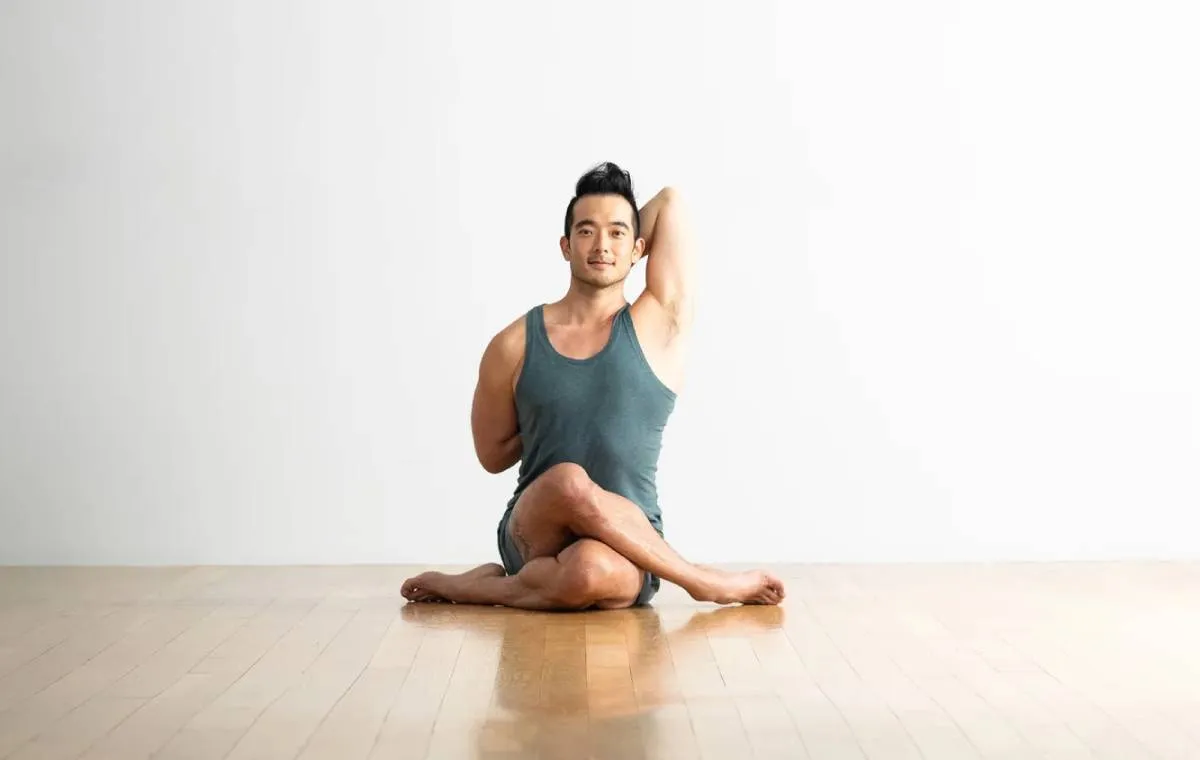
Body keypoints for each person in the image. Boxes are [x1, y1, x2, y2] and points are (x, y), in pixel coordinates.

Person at [401, 162, 785, 610]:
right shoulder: (514, 345)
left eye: (617, 233)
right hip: (534, 532)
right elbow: (491, 456)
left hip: (633, 547)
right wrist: (556, 415)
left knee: (585, 572)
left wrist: (618, 227)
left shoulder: (657, 324)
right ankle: (702, 582)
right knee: (568, 481)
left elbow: (671, 202)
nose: (601, 245)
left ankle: (472, 588)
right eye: (586, 232)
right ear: (565, 246)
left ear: (640, 248)